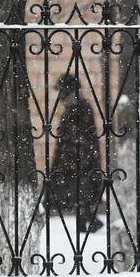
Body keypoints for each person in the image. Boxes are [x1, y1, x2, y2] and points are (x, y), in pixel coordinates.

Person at [47, 73, 105, 234]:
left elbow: (80, 137)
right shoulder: (73, 106)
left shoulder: (80, 107)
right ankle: (89, 221)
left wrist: (71, 158)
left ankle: (88, 222)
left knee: (80, 193)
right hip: (73, 159)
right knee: (77, 194)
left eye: (62, 91)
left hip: (80, 160)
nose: (60, 95)